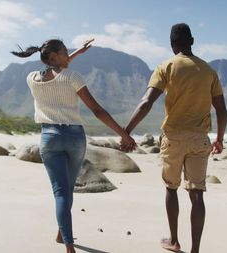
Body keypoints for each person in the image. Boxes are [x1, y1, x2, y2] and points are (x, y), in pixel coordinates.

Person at [12, 38, 136, 253]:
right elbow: (97, 110)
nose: (68, 55)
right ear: (53, 56)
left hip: (49, 138)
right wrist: (124, 135)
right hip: (74, 138)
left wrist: (77, 53)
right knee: (67, 190)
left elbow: (54, 71)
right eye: (64, 52)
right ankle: (69, 247)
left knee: (61, 192)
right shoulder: (72, 77)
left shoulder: (31, 78)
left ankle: (63, 236)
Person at [123, 23, 227, 253]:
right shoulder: (209, 71)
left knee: (171, 189)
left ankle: (174, 240)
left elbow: (147, 101)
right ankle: (195, 251)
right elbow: (221, 109)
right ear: (192, 41)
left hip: (173, 137)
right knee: (197, 193)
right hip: (200, 139)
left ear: (172, 45)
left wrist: (126, 130)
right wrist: (219, 138)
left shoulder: (166, 67)